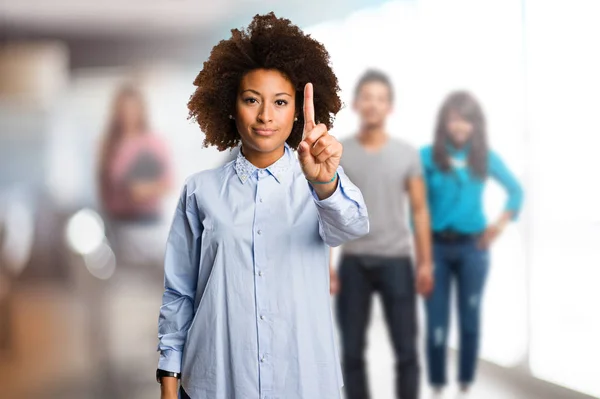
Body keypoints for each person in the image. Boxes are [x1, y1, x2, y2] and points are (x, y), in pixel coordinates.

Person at [155, 13, 369, 399]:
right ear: (231, 106)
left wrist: (323, 181)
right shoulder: (199, 191)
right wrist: (169, 379)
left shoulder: (320, 181)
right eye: (252, 99)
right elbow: (179, 292)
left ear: (298, 111)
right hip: (215, 383)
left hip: (302, 383)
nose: (266, 115)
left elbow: (352, 226)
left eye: (281, 102)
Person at [331, 70, 433, 399]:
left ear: (390, 107)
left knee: (406, 352)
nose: (373, 105)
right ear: (356, 103)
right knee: (351, 352)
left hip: (397, 261)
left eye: (381, 99)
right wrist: (327, 265)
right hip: (355, 262)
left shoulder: (406, 154)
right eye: (367, 98)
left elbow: (419, 210)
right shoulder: (340, 152)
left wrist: (426, 263)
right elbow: (327, 210)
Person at [420, 91, 524, 397]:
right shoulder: (427, 156)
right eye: (454, 119)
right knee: (437, 322)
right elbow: (419, 209)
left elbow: (516, 191)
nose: (460, 126)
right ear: (445, 121)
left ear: (475, 124)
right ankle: (437, 384)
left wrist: (499, 225)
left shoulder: (485, 157)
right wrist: (423, 256)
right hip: (437, 248)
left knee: (469, 319)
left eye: (467, 120)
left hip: (472, 250)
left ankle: (465, 384)